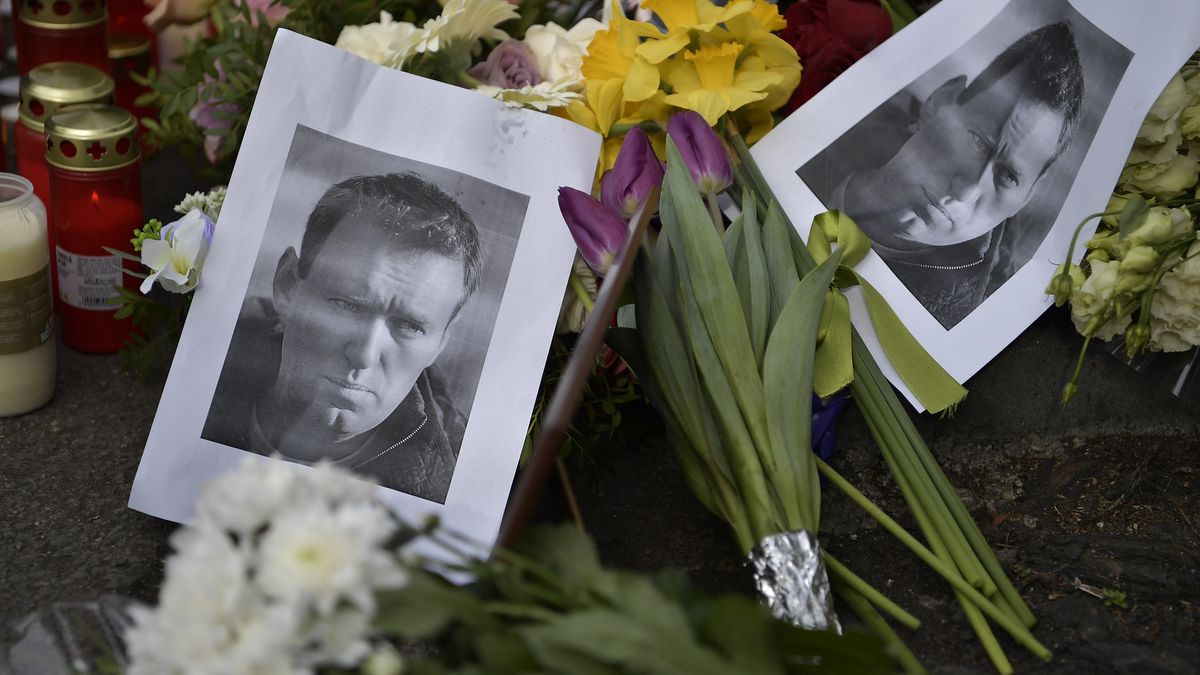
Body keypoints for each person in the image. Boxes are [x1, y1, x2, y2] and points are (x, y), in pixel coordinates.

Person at [202, 172, 482, 504]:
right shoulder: (196, 362)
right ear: (288, 285)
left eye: (409, 326)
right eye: (347, 305)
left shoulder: (464, 485)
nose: (364, 354)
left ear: (441, 342)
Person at [802, 21, 1084, 327]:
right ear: (940, 102)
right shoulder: (822, 124)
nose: (967, 192)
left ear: (1027, 197)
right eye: (978, 142)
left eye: (1007, 176)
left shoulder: (981, 323)